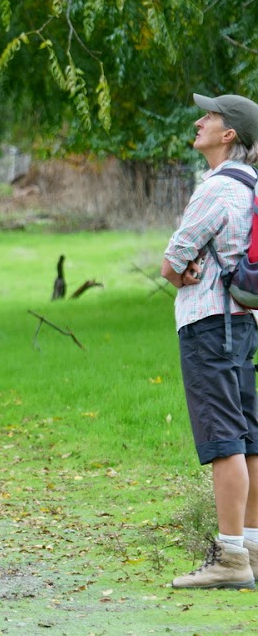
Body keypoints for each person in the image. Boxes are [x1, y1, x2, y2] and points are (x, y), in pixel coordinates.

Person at [162, 93, 258, 589]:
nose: (198, 120)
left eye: (210, 116)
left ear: (229, 135)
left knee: (225, 442)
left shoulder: (218, 188)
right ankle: (253, 547)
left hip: (209, 325)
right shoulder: (253, 185)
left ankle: (230, 558)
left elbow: (172, 263)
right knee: (248, 438)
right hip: (242, 323)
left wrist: (182, 270)